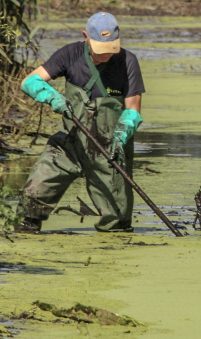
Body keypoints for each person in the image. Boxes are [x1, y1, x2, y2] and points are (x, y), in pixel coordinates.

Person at [17, 12, 145, 233]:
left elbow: (133, 108)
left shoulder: (128, 61)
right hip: (71, 140)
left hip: (110, 147)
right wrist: (53, 97)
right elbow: (30, 81)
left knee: (117, 219)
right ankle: (27, 228)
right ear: (85, 37)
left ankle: (112, 248)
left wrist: (123, 133)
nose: (106, 54)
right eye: (100, 49)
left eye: (110, 48)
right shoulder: (70, 54)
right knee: (36, 192)